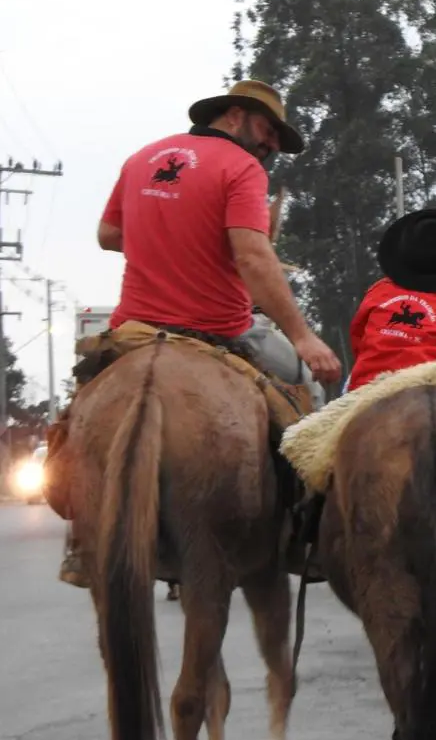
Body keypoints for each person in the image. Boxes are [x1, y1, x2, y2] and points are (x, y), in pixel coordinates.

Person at [57, 80, 342, 588]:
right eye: (267, 129)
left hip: (135, 330)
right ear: (234, 115)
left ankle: (82, 540)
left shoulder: (142, 158)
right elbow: (253, 257)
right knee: (308, 390)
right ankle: (306, 537)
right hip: (222, 331)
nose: (272, 143)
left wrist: (168, 231)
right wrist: (303, 336)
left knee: (80, 412)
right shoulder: (242, 169)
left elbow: (107, 235)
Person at [346, 208, 436, 390]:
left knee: (325, 419)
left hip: (369, 386)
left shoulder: (379, 291)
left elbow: (357, 337)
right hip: (429, 386)